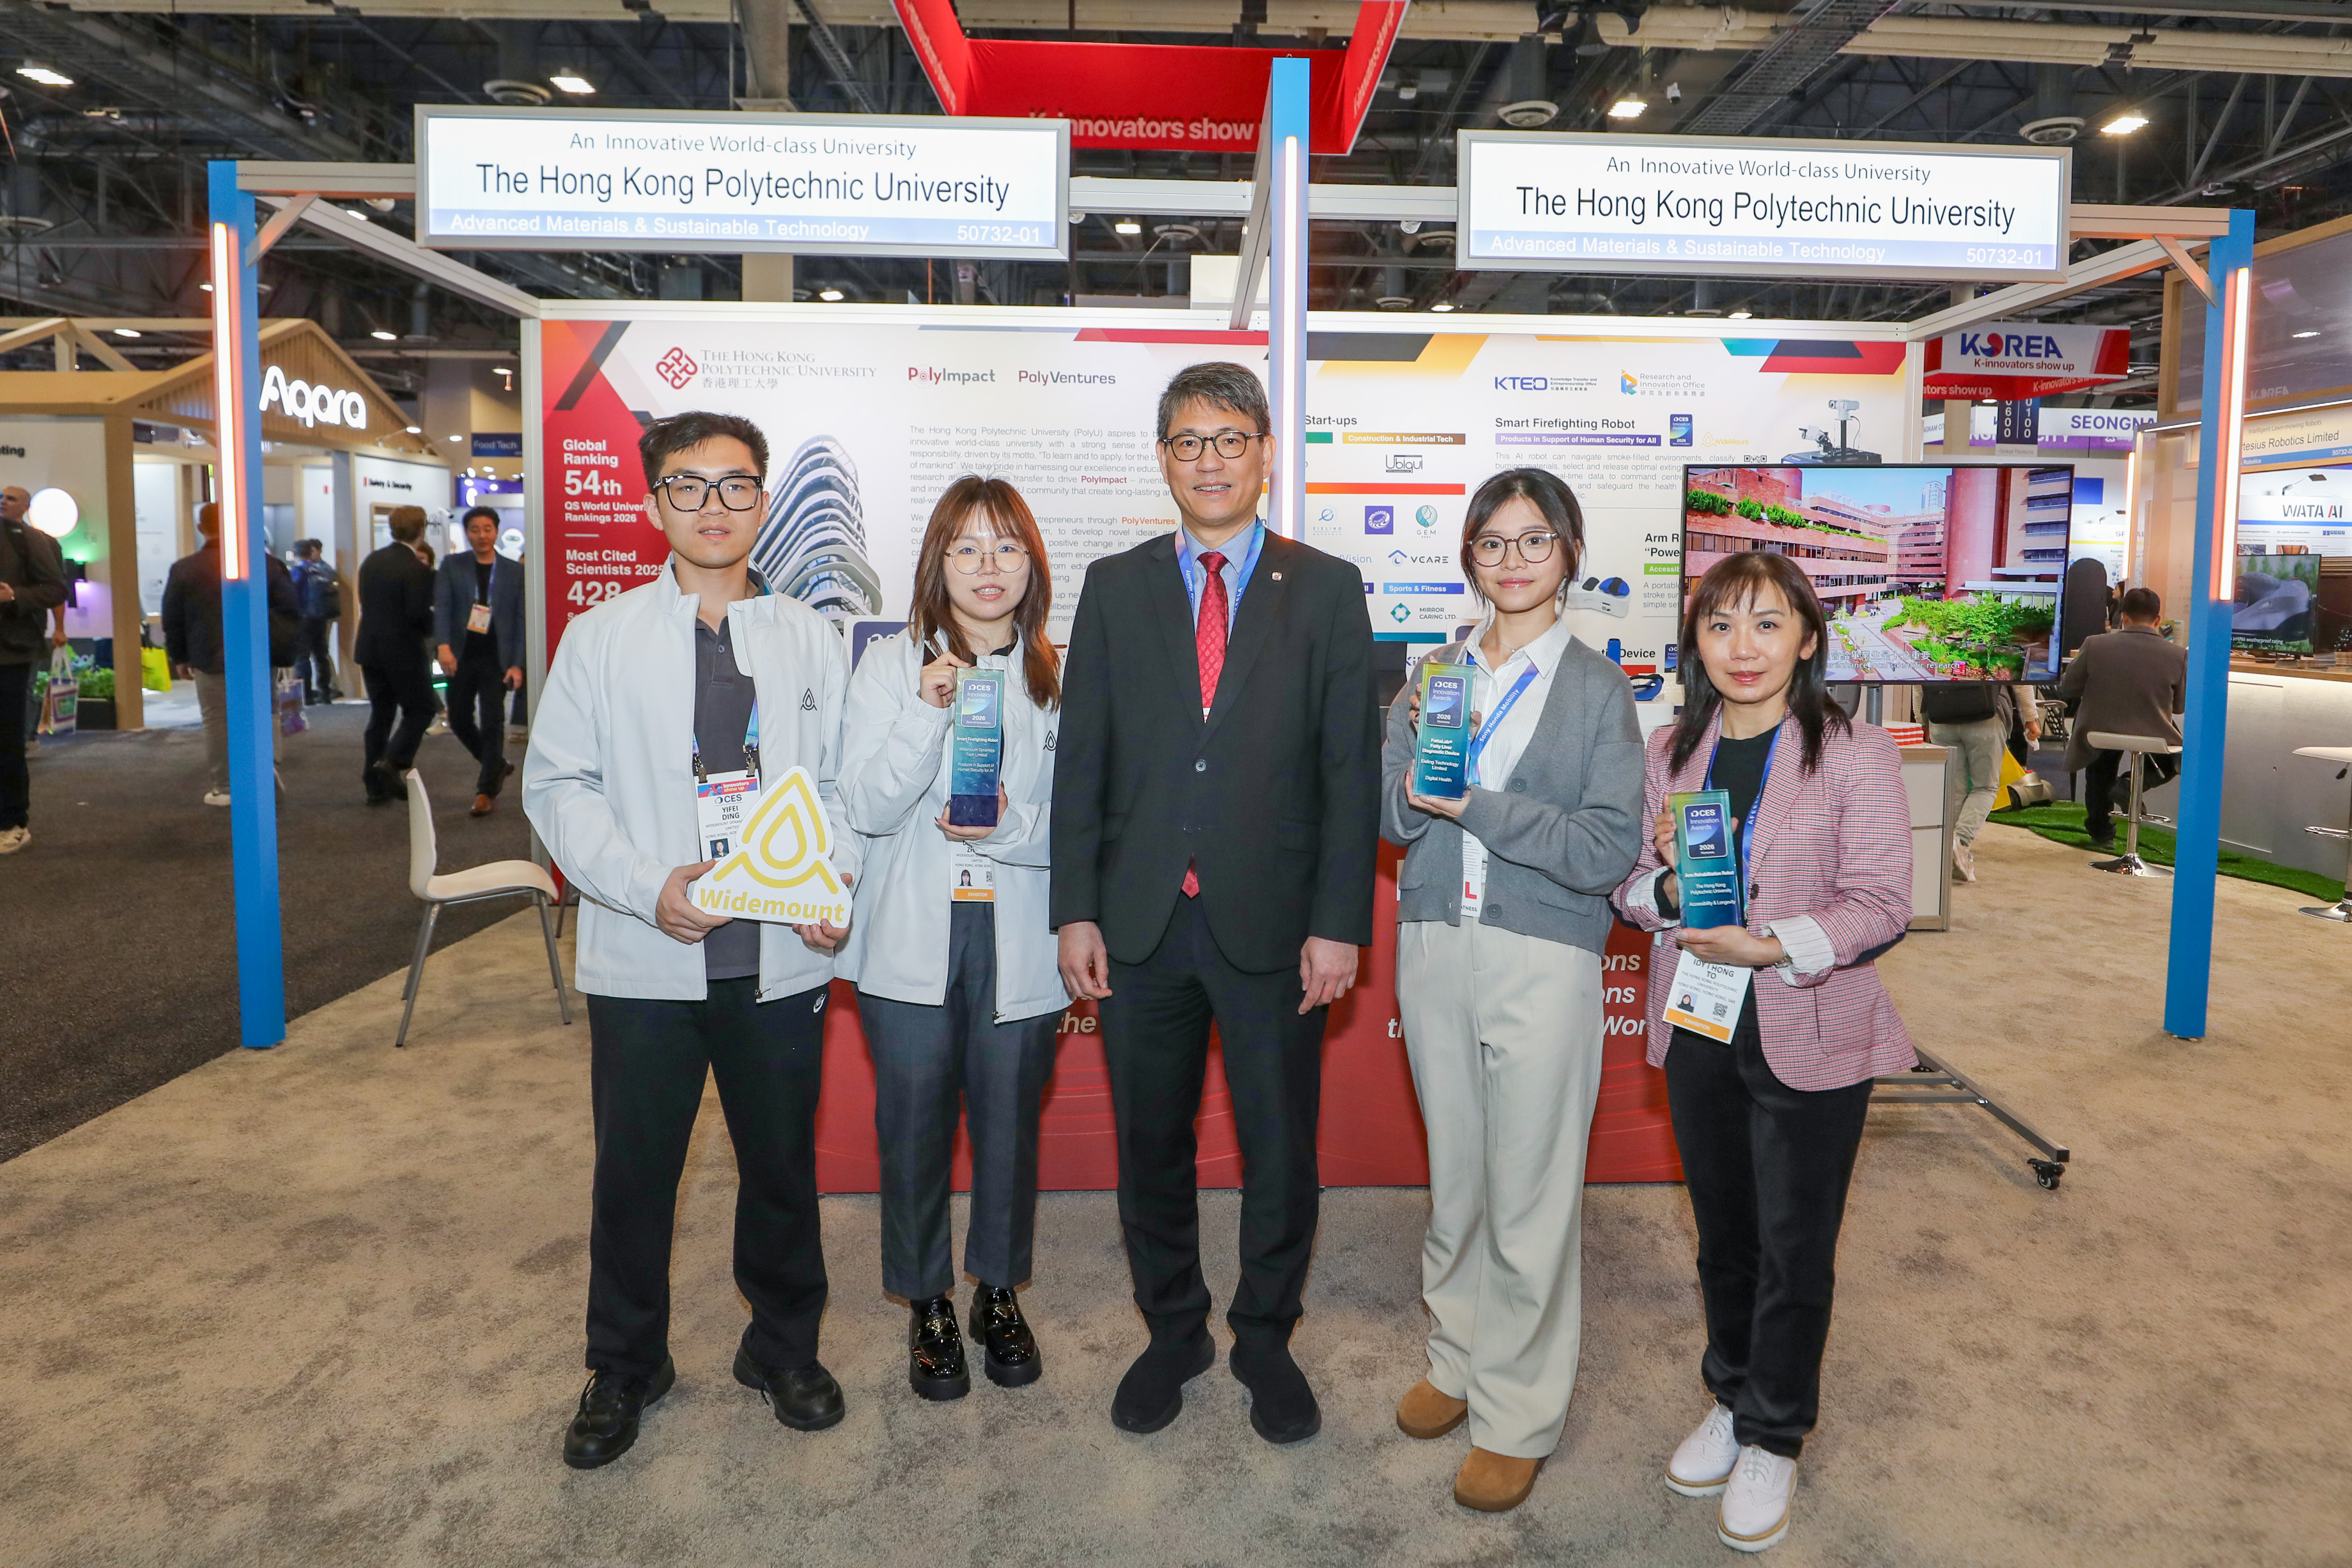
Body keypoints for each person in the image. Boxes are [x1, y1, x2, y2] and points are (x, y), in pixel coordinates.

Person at [522, 409, 860, 1471]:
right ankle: (626, 1363)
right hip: (647, 957)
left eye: (735, 485)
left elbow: (841, 789)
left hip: (778, 958)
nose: (714, 506)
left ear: (763, 499)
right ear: (651, 501)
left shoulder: (811, 633)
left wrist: (829, 882)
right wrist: (637, 885)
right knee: (634, 1173)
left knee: (779, 1167)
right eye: (688, 485)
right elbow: (558, 782)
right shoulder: (603, 635)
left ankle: (782, 1346)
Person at [1051, 362, 1380, 1446]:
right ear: (1162, 457)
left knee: (1278, 1144)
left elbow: (1349, 770)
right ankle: (1174, 1328)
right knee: (1152, 1141)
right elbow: (1083, 760)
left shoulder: (1325, 587)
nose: (1209, 459)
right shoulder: (1114, 583)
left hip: (1275, 927)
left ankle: (1266, 1335)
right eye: (1188, 440)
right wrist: (1075, 909)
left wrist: (1339, 921)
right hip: (1140, 921)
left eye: (1229, 438)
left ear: (1266, 452)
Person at [1611, 550, 1915, 1555]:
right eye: (1721, 625)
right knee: (1722, 1232)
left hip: (1810, 1024)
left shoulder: (1854, 752)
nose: (1743, 647)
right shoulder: (1670, 748)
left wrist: (1771, 942)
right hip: (1697, 1021)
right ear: (1694, 642)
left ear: (1807, 637)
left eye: (1767, 623)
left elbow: (1880, 903)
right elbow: (1628, 889)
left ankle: (1775, 1430)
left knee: (1794, 1243)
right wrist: (1660, 884)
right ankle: (1730, 1392)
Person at [1379, 469, 1645, 1512]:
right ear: (1470, 558)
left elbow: (1605, 846)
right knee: (1457, 1182)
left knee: (1531, 1194)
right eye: (1491, 543)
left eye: (1533, 541)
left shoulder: (1595, 688)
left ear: (1569, 553)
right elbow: (1394, 825)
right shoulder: (1430, 673)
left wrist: (1478, 804)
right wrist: (1408, 780)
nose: (1512, 561)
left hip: (1545, 955)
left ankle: (1519, 1409)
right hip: (1436, 943)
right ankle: (1456, 1358)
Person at [836, 475, 1065, 1402]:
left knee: (1010, 1123)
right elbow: (864, 804)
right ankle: (928, 1297)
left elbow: (1087, 825)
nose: (986, 566)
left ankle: (997, 1288)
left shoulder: (1060, 674)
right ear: (934, 562)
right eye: (964, 546)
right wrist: (929, 711)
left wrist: (1008, 825)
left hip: (1017, 927)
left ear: (1031, 566)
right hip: (910, 930)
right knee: (914, 1124)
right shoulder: (890, 666)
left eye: (1005, 546)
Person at [160, 504, 299, 807]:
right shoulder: (268, 565)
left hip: (208, 656)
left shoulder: (185, 569)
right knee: (265, 711)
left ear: (201, 528)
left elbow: (173, 619)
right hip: (258, 654)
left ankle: (225, 787)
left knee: (217, 720)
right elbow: (289, 610)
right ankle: (267, 768)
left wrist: (180, 657)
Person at [2057, 586, 2187, 849]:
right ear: (2158, 619)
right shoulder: (2179, 655)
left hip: (2100, 728)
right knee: (2176, 759)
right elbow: (2180, 707)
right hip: (2153, 731)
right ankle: (2129, 784)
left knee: (2100, 769)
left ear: (2123, 616)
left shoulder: (2095, 644)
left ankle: (2102, 834)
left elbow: (2068, 687)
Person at [432, 506, 527, 817]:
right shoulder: (452, 565)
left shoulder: (514, 571)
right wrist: (443, 647)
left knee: (492, 720)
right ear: (467, 533)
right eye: (475, 529)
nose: (482, 535)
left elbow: (520, 620)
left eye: (488, 529)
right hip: (460, 656)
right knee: (458, 717)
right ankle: (496, 764)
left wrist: (517, 663)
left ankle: (486, 790)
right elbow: (443, 607)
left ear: (496, 532)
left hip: (495, 658)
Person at [354, 506, 438, 806]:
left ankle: (374, 784)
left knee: (381, 714)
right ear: (421, 530)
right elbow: (417, 615)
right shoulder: (416, 568)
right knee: (422, 708)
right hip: (402, 651)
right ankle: (391, 762)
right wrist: (438, 628)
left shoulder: (371, 562)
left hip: (369, 648)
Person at [0, 484, 68, 852]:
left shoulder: (25, 539)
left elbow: (57, 589)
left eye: (10, 497)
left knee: (7, 741)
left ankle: (12, 820)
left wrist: (15, 597)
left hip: (9, 654)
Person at [1920, 678, 2042, 882]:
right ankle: (1961, 842)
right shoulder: (1993, 644)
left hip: (1941, 717)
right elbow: (2019, 679)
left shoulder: (1931, 644)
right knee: (1985, 788)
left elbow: (1919, 683)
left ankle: (1949, 855)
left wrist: (1923, 721)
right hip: (1986, 717)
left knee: (1954, 788)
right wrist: (2031, 718)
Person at [289, 540, 343, 704]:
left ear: (295, 554)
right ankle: (325, 694)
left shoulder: (297, 571)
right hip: (321, 618)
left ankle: (307, 696)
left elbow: (293, 595)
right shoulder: (322, 570)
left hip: (304, 620)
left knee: (303, 658)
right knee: (321, 657)